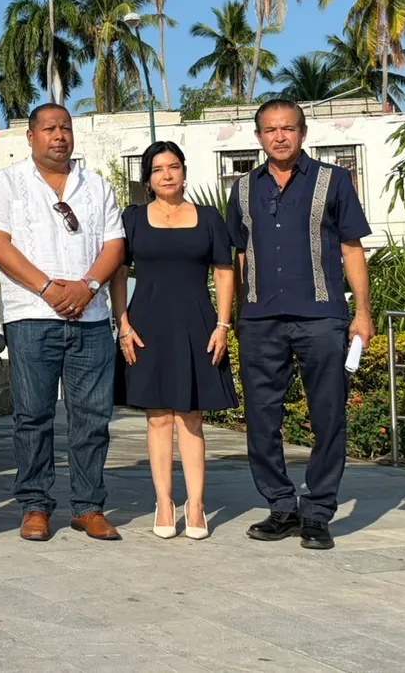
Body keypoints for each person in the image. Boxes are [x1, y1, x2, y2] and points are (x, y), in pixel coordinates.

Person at [226, 99, 374, 551]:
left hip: (321, 316)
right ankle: (281, 506)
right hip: (260, 320)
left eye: (287, 128)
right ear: (258, 138)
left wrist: (362, 314)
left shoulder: (334, 181)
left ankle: (318, 512)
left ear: (303, 133)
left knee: (328, 415)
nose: (279, 136)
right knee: (260, 419)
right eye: (270, 130)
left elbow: (352, 249)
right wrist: (234, 315)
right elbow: (237, 255)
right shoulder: (243, 188)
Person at [0, 103, 125, 543]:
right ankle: (35, 505)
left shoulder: (95, 186)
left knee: (93, 416)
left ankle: (88, 506)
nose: (58, 136)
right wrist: (48, 289)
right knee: (33, 415)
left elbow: (115, 244)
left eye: (65, 128)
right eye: (49, 129)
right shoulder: (5, 184)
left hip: (91, 317)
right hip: (31, 318)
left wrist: (88, 286)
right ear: (31, 136)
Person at [108, 141, 236, 540]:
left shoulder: (210, 218)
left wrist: (223, 325)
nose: (167, 174)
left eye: (174, 166)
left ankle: (195, 505)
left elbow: (224, 271)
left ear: (184, 171)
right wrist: (123, 325)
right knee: (158, 417)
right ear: (147, 178)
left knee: (192, 417)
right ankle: (164, 502)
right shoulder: (132, 219)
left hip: (197, 325)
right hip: (146, 328)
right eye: (159, 168)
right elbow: (117, 273)